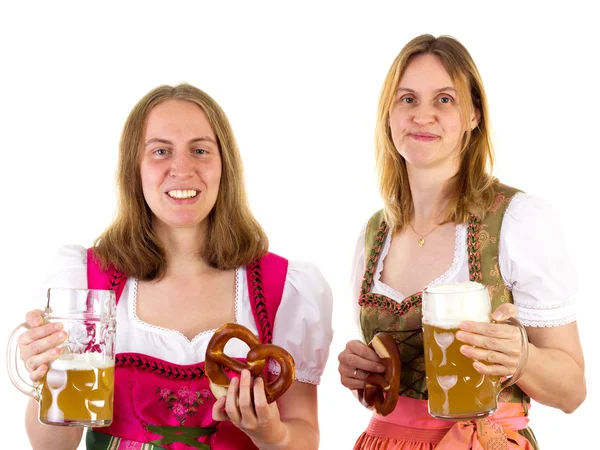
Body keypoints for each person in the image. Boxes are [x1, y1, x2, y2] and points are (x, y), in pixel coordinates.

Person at [16, 83, 333, 450]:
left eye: (200, 150)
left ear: (224, 165)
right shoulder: (87, 286)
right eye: (160, 151)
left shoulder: (285, 289)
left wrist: (272, 435)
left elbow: (305, 435)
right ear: (134, 168)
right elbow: (54, 446)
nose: (181, 169)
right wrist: (45, 378)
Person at [337, 34, 586, 449]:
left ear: (474, 115)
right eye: (408, 99)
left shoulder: (518, 220)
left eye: (444, 100)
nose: (423, 116)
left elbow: (572, 391)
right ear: (388, 115)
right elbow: (385, 389)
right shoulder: (372, 235)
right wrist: (365, 372)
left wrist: (521, 357)